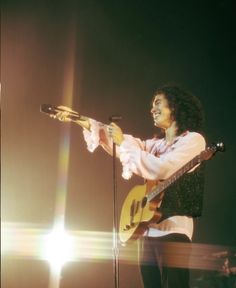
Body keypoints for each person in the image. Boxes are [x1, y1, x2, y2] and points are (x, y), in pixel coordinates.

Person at [55, 84, 206, 288]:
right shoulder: (154, 144)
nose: (152, 109)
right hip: (146, 229)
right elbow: (124, 143)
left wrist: (123, 142)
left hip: (174, 229)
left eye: (158, 103)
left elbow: (162, 168)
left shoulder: (193, 141)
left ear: (176, 107)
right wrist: (78, 119)